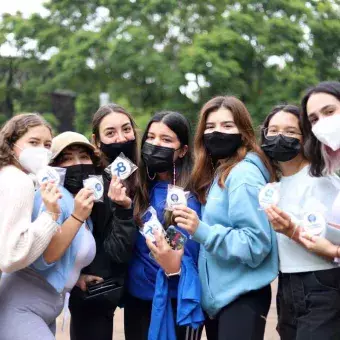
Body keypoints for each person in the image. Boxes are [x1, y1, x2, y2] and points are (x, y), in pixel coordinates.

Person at [172, 96, 278, 340]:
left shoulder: (243, 175)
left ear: (243, 132)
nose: (217, 132)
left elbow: (256, 243)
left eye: (227, 126)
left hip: (241, 298)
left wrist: (202, 230)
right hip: (221, 300)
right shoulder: (221, 171)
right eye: (210, 127)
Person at [0, 131, 99, 339]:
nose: (77, 163)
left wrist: (77, 277)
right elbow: (45, 258)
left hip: (50, 306)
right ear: (53, 167)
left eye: (83, 156)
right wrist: (77, 217)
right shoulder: (50, 199)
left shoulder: (80, 202)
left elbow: (66, 255)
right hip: (21, 305)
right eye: (67, 158)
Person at [261, 104, 340, 340]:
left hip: (322, 283)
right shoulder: (272, 184)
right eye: (273, 131)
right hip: (286, 284)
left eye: (290, 132)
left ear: (306, 137)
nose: (279, 137)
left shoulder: (323, 179)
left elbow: (333, 245)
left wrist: (291, 230)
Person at [125, 111, 204, 340]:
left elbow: (188, 247)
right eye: (150, 137)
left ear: (182, 150)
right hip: (138, 300)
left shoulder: (195, 192)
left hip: (178, 301)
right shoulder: (136, 188)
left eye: (166, 140)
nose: (155, 144)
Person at [69, 104, 138, 340]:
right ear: (96, 140)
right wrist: (73, 274)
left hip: (142, 286)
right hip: (96, 289)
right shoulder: (89, 178)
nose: (121, 138)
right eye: (110, 133)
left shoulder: (146, 171)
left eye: (126, 129)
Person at [0, 113, 61, 275]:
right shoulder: (19, 181)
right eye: (33, 143)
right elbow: (10, 257)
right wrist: (51, 215)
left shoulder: (6, 175)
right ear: (11, 143)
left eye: (47, 145)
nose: (41, 150)